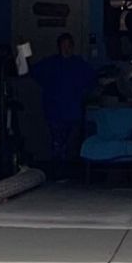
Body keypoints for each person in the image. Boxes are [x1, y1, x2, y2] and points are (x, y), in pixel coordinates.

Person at [29, 33, 97, 172]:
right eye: (63, 45)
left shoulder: (80, 65)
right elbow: (32, 71)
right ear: (59, 47)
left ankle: (69, 172)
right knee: (57, 145)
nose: (66, 49)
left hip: (74, 113)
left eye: (69, 46)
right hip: (55, 113)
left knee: (72, 146)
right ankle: (58, 172)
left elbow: (93, 81)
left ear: (73, 47)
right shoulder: (50, 64)